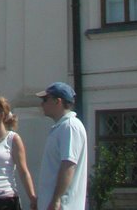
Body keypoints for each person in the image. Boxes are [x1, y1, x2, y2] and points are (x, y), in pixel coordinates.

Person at [35, 82, 87, 210]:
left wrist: (56, 200)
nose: (42, 104)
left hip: (64, 205)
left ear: (58, 101)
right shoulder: (61, 127)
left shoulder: (69, 126)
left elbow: (68, 165)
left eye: (45, 99)